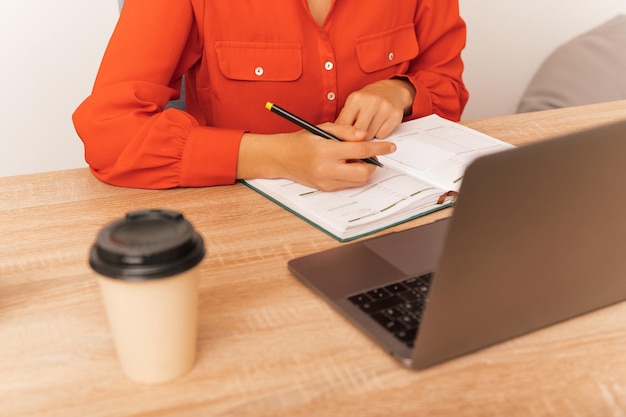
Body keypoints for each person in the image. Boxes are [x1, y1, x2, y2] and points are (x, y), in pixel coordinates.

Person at [73, 0, 469, 191]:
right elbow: (109, 133)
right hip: (240, 219)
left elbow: (447, 86)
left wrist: (399, 90)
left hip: (392, 201)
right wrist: (278, 156)